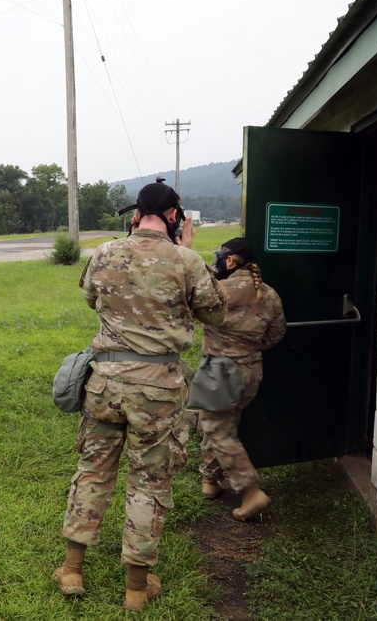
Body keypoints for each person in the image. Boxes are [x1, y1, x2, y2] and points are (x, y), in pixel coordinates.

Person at [53, 180, 228, 611]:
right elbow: (216, 312)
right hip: (158, 388)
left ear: (136, 214)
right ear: (174, 216)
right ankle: (136, 588)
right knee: (149, 481)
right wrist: (189, 252)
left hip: (104, 383)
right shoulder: (185, 260)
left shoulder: (105, 252)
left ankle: (72, 570)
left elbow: (92, 298)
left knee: (92, 470)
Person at [199, 238, 287, 521]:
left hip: (220, 372)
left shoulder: (220, 291)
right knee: (223, 424)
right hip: (252, 372)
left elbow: (192, 313)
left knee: (217, 428)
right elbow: (276, 334)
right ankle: (210, 481)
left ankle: (251, 491)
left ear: (231, 261)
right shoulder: (269, 294)